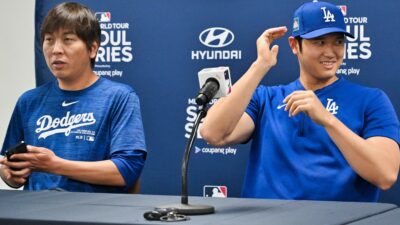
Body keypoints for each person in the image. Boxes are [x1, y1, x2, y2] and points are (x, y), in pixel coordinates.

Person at [200, 1, 400, 201]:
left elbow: (385, 175)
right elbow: (213, 133)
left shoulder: (372, 100)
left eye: (338, 42)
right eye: (319, 42)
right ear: (295, 45)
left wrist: (327, 120)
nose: (330, 52)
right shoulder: (265, 98)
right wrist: (260, 65)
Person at [0, 2, 146, 193]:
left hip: (96, 214)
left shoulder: (120, 98)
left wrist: (55, 165)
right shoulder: (28, 101)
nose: (56, 49)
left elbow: (126, 171)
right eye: (49, 40)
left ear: (92, 48)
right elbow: (10, 167)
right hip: (35, 212)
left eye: (67, 40)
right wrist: (9, 173)